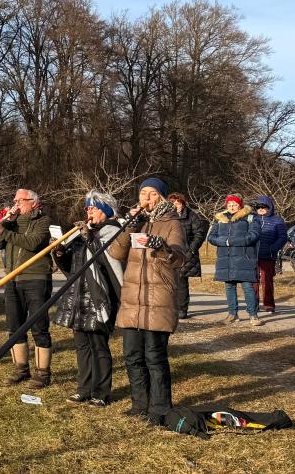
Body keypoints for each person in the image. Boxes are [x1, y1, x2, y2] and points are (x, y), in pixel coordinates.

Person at [108, 178, 187, 423]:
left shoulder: (172, 223)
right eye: (143, 194)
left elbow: (179, 259)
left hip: (158, 298)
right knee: (132, 354)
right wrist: (129, 225)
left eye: (152, 194)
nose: (147, 199)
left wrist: (161, 247)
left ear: (162, 197)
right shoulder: (137, 222)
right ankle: (139, 403)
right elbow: (116, 252)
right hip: (133, 298)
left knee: (154, 356)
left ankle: (160, 407)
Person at [53, 190, 125, 407]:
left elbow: (106, 261)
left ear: (105, 211)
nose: (88, 212)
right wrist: (59, 254)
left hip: (99, 297)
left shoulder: (112, 231)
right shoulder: (85, 233)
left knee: (98, 347)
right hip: (78, 297)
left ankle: (101, 393)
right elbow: (72, 268)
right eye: (87, 208)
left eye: (93, 208)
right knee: (82, 346)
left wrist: (88, 237)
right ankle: (84, 389)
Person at [0, 188, 55, 388]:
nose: (16, 204)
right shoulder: (11, 222)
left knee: (39, 327)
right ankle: (21, 369)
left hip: (36, 278)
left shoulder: (43, 221)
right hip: (12, 279)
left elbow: (33, 243)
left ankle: (43, 373)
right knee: (14, 327)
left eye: (20, 201)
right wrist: (4, 222)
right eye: (15, 200)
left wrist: (6, 232)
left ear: (33, 203)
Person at [207, 195, 261, 326]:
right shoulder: (220, 219)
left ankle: (253, 315)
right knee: (229, 287)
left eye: (235, 204)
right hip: (225, 260)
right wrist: (224, 242)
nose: (231, 206)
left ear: (240, 205)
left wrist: (233, 242)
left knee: (248, 287)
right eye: (229, 204)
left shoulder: (250, 218)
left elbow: (254, 235)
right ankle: (232, 314)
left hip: (244, 258)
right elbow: (211, 237)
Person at [169, 193, 207, 319]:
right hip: (169, 252)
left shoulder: (191, 216)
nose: (176, 205)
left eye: (178, 203)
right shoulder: (167, 216)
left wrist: (191, 249)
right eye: (173, 203)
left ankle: (182, 309)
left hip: (185, 253)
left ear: (183, 203)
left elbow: (199, 233)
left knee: (181, 282)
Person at [253, 195, 288, 314]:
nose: (261, 209)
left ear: (270, 207)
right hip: (253, 256)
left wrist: (273, 248)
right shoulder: (253, 219)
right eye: (258, 207)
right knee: (253, 282)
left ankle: (269, 305)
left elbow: (283, 237)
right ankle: (253, 305)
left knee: (266, 282)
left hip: (268, 256)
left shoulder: (277, 220)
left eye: (264, 206)